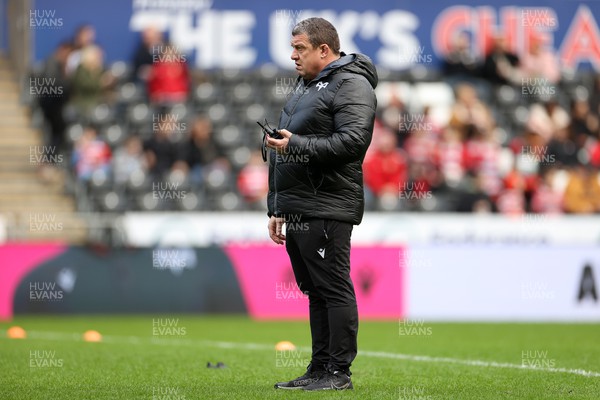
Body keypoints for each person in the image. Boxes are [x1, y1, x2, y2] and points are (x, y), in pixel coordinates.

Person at [266, 17, 377, 391]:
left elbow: (352, 143)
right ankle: (319, 369)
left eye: (299, 48)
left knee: (332, 287)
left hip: (328, 204)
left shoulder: (352, 84)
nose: (292, 55)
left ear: (324, 50)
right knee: (315, 290)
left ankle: (338, 374)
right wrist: (276, 206)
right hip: (299, 205)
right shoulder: (305, 85)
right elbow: (284, 147)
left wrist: (294, 145)